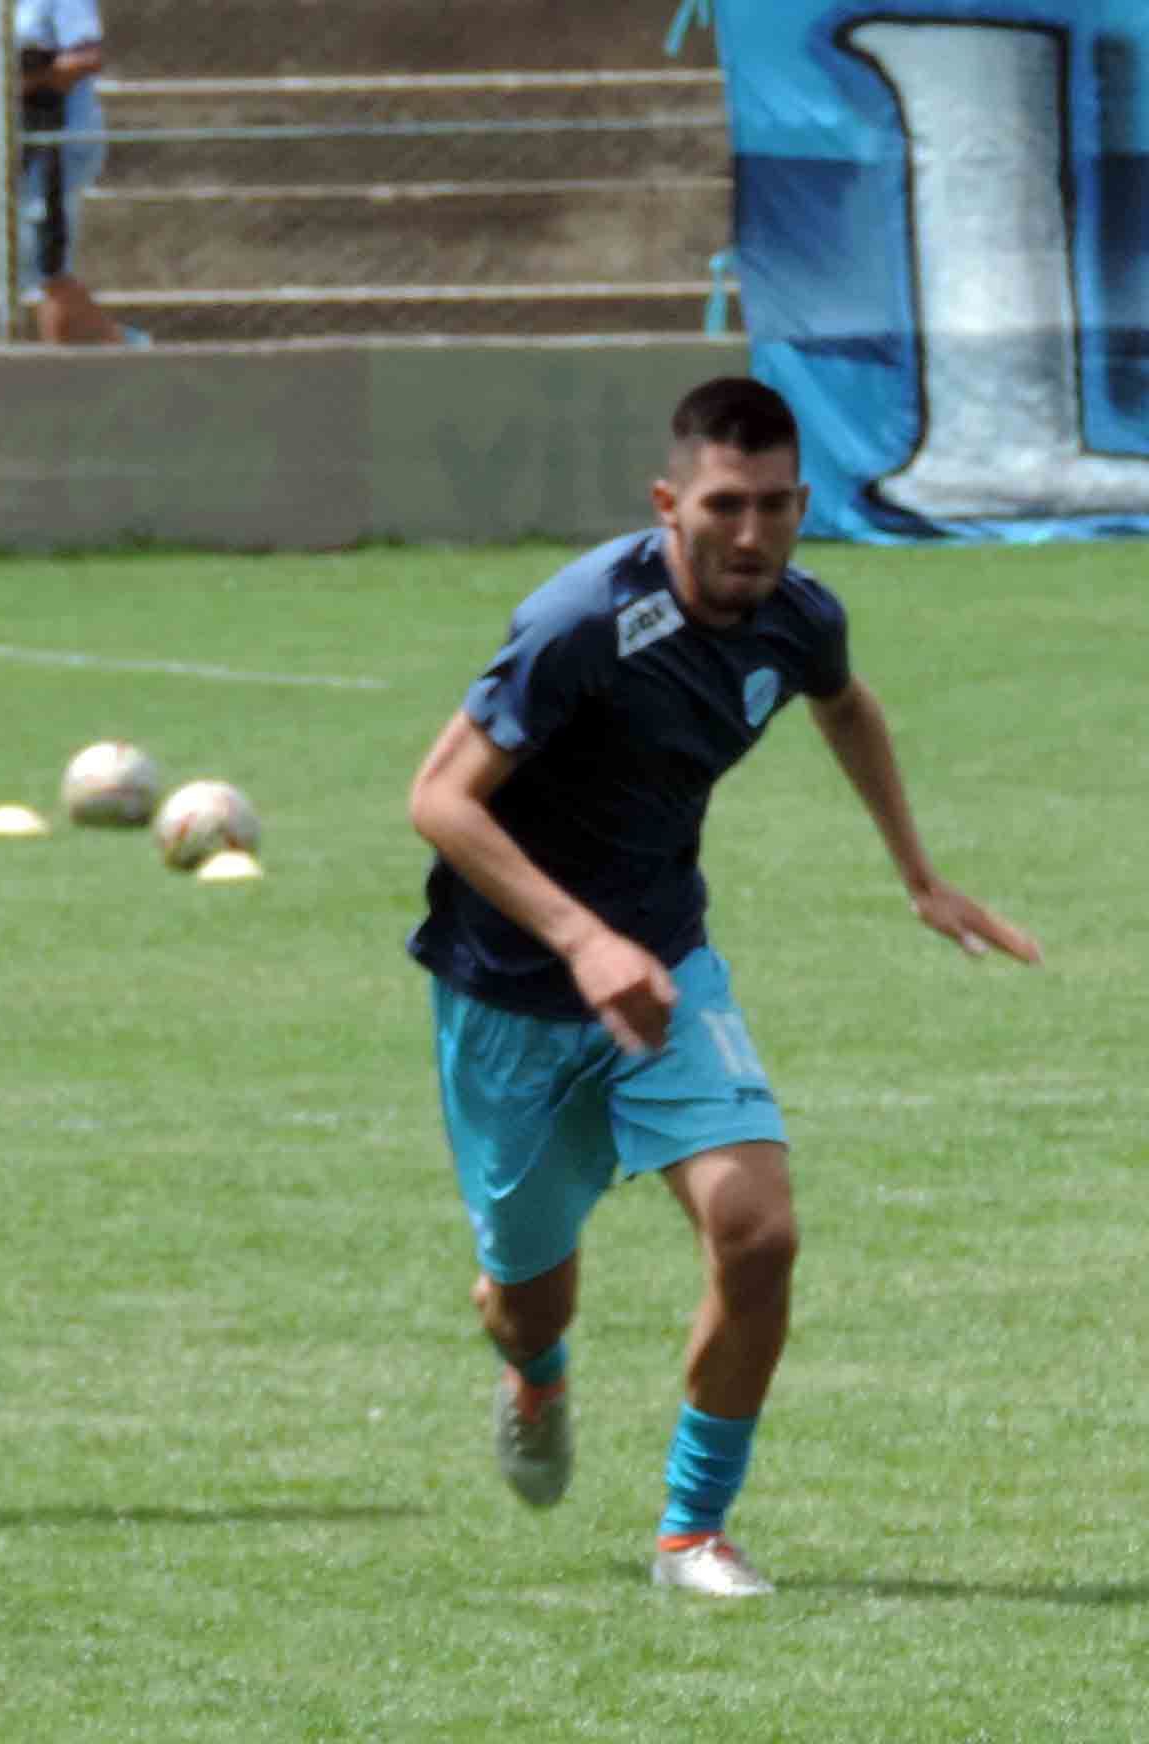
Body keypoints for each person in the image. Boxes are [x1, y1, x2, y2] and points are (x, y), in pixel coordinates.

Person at [405, 376, 1039, 1599]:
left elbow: (844, 705)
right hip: (510, 1000)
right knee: (527, 1298)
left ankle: (690, 1531)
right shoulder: (580, 621)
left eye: (772, 507)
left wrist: (918, 875)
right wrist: (581, 942)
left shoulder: (796, 616)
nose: (748, 536)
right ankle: (532, 1371)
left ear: (803, 503)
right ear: (667, 502)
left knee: (759, 1235)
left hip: (669, 972)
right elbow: (439, 798)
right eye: (721, 507)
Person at [16, 0, 138, 345]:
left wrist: (29, 78)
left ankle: (126, 350)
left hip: (60, 139)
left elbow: (87, 57)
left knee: (46, 266)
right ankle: (101, 354)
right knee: (36, 271)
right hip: (24, 141)